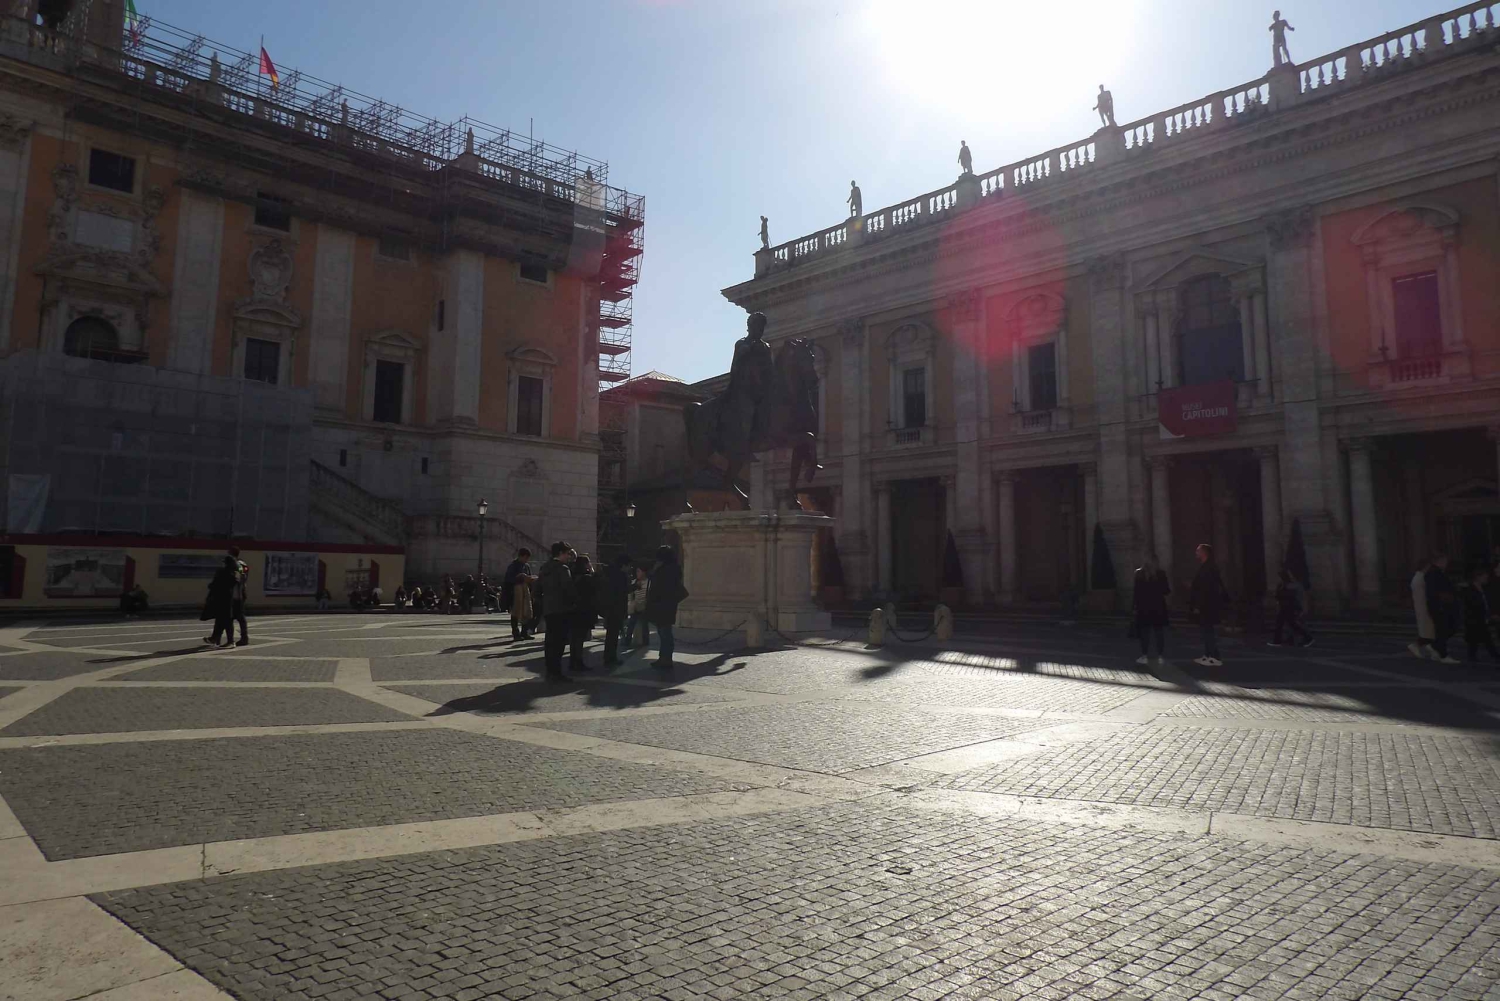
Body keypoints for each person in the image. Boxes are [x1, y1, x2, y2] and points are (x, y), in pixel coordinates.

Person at [535, 541, 575, 682]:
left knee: (550, 641)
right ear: (561, 553)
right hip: (561, 609)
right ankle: (556, 672)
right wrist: (572, 604)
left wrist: (544, 604)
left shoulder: (545, 568)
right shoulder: (562, 569)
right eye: (567, 553)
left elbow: (537, 590)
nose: (568, 556)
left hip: (549, 609)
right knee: (559, 642)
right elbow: (568, 590)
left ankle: (550, 670)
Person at [645, 545, 687, 671]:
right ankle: (663, 658)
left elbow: (659, 585)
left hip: (662, 605)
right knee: (664, 633)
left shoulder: (667, 570)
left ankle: (666, 659)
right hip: (666, 605)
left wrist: (656, 570)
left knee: (665, 634)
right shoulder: (673, 568)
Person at [1187, 543, 1228, 667]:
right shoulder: (1207, 566)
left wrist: (1198, 605)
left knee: (1208, 631)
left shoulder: (1209, 567)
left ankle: (1214, 656)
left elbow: (1206, 588)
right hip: (1206, 603)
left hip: (1207, 604)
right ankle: (1208, 654)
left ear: (1205, 553)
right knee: (1206, 630)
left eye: (1198, 550)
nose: (1196, 552)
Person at [1131, 556, 1169, 666]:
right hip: (1158, 607)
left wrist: (1134, 607)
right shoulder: (1161, 573)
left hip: (1143, 607)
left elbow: (1136, 593)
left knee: (1144, 633)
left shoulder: (1139, 573)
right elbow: (1166, 590)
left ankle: (1144, 655)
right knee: (1159, 633)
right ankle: (1160, 656)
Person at [1460, 565, 1499, 664]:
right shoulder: (1470, 590)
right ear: (1478, 577)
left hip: (1481, 619)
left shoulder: (1484, 588)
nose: (1486, 579)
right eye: (1485, 577)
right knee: (1484, 640)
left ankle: (1474, 657)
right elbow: (1473, 605)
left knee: (1479, 640)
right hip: (1475, 619)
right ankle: (1494, 656)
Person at [1425, 553, 1460, 664]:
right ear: (1438, 561)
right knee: (1445, 628)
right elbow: (1433, 591)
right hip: (1440, 606)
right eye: (1445, 561)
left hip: (1441, 605)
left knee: (1445, 629)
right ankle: (1443, 654)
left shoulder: (1437, 572)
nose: (1446, 564)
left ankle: (1436, 648)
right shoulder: (1433, 573)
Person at [600, 553, 632, 669]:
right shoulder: (620, 576)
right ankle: (611, 658)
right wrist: (635, 586)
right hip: (616, 609)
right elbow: (623, 592)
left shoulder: (609, 573)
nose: (629, 569)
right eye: (629, 566)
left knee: (610, 635)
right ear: (623, 565)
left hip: (609, 608)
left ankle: (608, 657)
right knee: (613, 636)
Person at [1268, 567, 1313, 648]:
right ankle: (1281, 640)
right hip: (1285, 607)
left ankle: (1307, 638)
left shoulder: (1292, 586)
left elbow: (1296, 598)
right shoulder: (1283, 585)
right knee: (1286, 624)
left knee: (1292, 624)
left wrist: (1302, 609)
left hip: (1288, 608)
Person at [568, 554, 598, 673]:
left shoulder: (572, 575)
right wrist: (592, 571)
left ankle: (572, 661)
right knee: (579, 638)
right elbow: (595, 589)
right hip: (584, 610)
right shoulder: (587, 578)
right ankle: (578, 661)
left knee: (574, 638)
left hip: (573, 610)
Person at [202, 555, 240, 648]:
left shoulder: (222, 572)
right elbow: (237, 582)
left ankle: (229, 641)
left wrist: (211, 586)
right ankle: (215, 638)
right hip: (228, 599)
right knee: (222, 620)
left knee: (225, 621)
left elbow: (214, 584)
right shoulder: (235, 573)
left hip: (221, 598)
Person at [503, 549, 535, 640]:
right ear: (521, 556)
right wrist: (520, 577)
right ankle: (516, 633)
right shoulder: (512, 566)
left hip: (526, 591)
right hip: (515, 592)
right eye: (525, 558)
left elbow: (529, 576)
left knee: (527, 611)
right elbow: (509, 579)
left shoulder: (526, 566)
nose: (526, 560)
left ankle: (524, 632)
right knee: (515, 612)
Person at [1409, 557, 1436, 659]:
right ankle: (1417, 646)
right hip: (1425, 607)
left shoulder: (1417, 577)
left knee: (1428, 631)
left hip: (1421, 606)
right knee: (1429, 631)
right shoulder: (1422, 577)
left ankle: (1432, 650)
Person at [623, 565, 650, 652]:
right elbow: (630, 595)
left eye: (639, 571)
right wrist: (631, 604)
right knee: (631, 624)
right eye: (637, 571)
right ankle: (627, 640)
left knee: (645, 625)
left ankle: (646, 641)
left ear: (644, 572)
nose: (637, 573)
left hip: (644, 607)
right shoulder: (634, 581)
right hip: (635, 607)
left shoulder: (649, 582)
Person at [226, 548, 249, 646]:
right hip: (240, 592)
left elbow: (241, 576)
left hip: (237, 593)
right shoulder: (243, 564)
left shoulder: (239, 564)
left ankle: (241, 638)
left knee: (235, 617)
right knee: (238, 617)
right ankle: (243, 637)